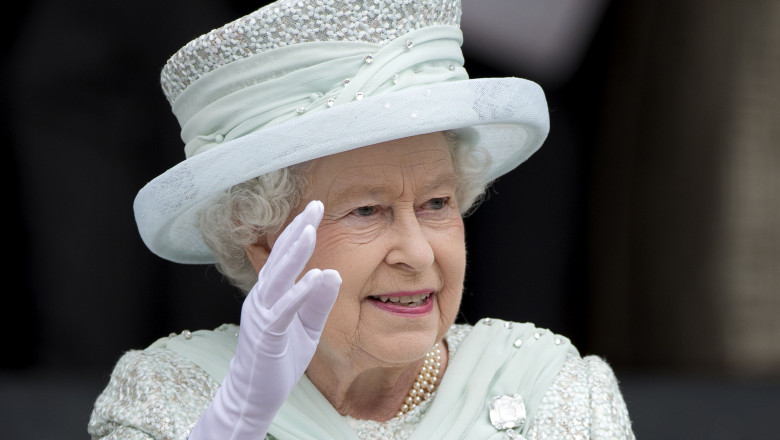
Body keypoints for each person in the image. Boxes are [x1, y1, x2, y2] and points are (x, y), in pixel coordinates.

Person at [88, 0, 635, 439]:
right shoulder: (164, 397)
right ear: (260, 240)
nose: (419, 254)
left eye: (437, 204)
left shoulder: (556, 389)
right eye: (367, 211)